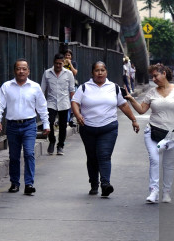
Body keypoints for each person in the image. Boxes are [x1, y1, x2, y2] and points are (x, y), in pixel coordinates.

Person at [123, 64, 174, 203]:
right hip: (153, 132)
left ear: (164, 74)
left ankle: (167, 192)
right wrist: (131, 99)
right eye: (152, 77)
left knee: (169, 164)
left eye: (155, 76)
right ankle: (154, 191)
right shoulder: (151, 92)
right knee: (154, 160)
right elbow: (142, 110)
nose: (154, 79)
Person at [71, 61, 140, 197]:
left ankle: (105, 184)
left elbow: (123, 105)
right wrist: (78, 115)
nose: (100, 73)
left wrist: (133, 120)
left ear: (106, 72)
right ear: (92, 73)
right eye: (97, 70)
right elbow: (75, 101)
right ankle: (94, 184)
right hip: (88, 128)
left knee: (104, 155)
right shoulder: (85, 87)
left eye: (103, 70)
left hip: (108, 128)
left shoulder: (113, 87)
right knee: (92, 157)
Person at [0, 59, 50, 195]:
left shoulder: (35, 87)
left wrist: (46, 124)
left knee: (29, 153)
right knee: (14, 156)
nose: (21, 71)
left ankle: (29, 184)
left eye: (24, 69)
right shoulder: (6, 86)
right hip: (12, 125)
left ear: (28, 71)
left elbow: (42, 107)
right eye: (18, 69)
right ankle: (14, 183)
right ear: (14, 71)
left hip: (29, 125)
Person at [40, 53, 76, 156]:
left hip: (64, 103)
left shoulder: (69, 74)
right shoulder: (47, 73)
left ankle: (60, 146)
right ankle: (52, 141)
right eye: (56, 63)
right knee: (49, 122)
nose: (58, 66)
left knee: (63, 126)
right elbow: (42, 90)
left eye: (60, 64)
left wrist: (74, 106)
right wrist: (40, 105)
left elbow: (72, 90)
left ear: (63, 63)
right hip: (51, 103)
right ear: (53, 63)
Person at [64, 50, 79, 127]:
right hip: (63, 85)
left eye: (69, 55)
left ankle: (70, 119)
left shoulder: (73, 63)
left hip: (72, 85)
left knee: (72, 101)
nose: (67, 57)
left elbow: (75, 72)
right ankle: (65, 119)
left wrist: (70, 63)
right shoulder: (62, 63)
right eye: (66, 55)